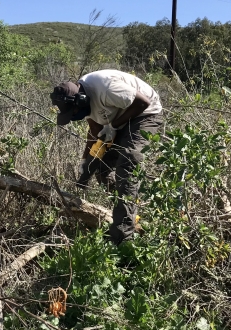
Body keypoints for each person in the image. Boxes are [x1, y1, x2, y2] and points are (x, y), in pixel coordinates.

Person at [50, 70, 163, 245]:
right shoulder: (83, 102)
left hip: (145, 113)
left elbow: (142, 102)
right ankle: (131, 210)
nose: (73, 117)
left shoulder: (106, 88)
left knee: (128, 161)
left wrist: (114, 126)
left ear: (80, 100)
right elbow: (95, 132)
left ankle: (122, 238)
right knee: (102, 169)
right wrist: (85, 163)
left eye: (73, 113)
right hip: (119, 118)